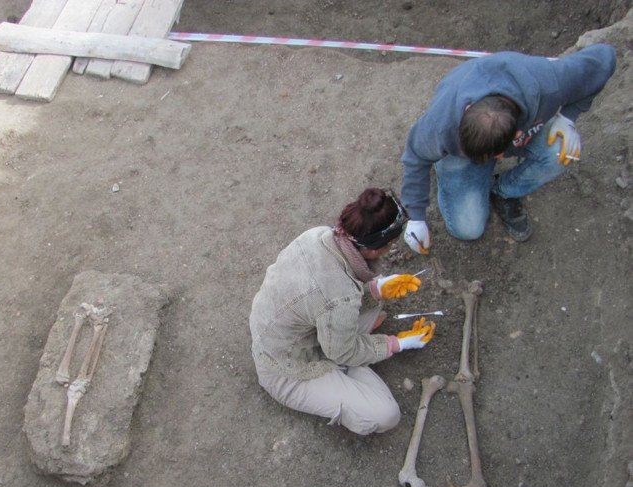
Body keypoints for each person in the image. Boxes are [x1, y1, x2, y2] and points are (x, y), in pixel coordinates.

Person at [249, 188, 436, 436]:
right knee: (385, 415)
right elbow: (340, 336)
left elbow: (324, 294)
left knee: (370, 308)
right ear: (379, 246)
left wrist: (375, 289)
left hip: (284, 331)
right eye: (392, 244)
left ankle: (349, 353)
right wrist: (396, 344)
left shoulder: (318, 235)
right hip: (284, 368)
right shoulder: (341, 298)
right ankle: (343, 371)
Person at [400, 43, 617, 253]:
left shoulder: (550, 84)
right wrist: (416, 217)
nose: (485, 161)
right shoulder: (441, 124)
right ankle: (450, 166)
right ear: (468, 109)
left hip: (524, 117)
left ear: (518, 136)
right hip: (461, 148)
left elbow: (604, 57)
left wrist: (568, 116)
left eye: (493, 156)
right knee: (468, 229)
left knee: (562, 152)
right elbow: (415, 156)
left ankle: (505, 191)